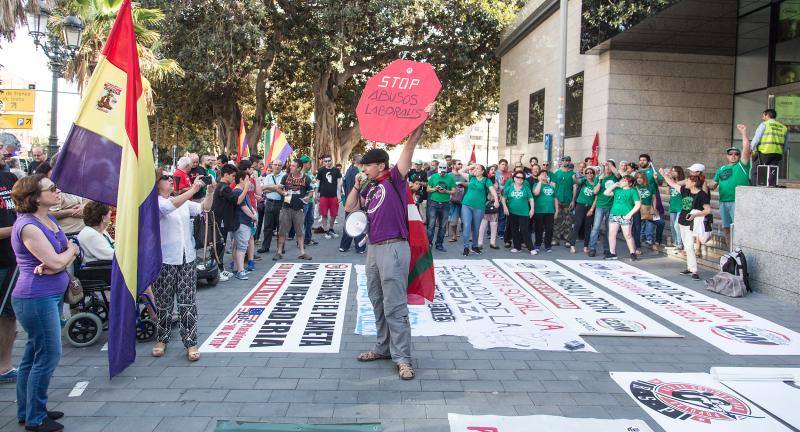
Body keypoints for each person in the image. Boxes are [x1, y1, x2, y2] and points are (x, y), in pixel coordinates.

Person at [344, 103, 432, 381]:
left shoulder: (394, 179)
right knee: (377, 301)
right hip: (373, 248)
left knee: (395, 305)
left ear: (380, 165)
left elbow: (409, 147)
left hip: (394, 247)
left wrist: (423, 118)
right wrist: (357, 185)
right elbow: (349, 208)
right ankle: (383, 347)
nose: (363, 168)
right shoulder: (368, 187)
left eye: (367, 165)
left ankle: (403, 358)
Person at [11, 174, 77, 431]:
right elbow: (59, 260)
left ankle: (28, 410)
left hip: (48, 294)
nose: (57, 191)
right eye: (52, 189)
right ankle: (36, 418)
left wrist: (62, 257)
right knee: (48, 355)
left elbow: (61, 255)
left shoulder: (48, 218)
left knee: (33, 355)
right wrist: (68, 254)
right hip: (35, 297)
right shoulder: (28, 226)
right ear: (35, 197)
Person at [151, 174, 214, 362]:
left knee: (188, 302)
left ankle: (191, 342)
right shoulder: (155, 202)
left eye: (172, 178)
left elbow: (204, 208)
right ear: (156, 183)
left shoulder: (182, 201)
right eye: (166, 177)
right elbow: (168, 207)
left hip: (187, 257)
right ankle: (162, 339)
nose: (171, 180)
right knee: (164, 303)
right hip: (165, 259)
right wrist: (193, 190)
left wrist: (209, 192)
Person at [661, 169, 711, 281]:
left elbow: (708, 210)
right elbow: (672, 184)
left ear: (693, 183)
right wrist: (664, 175)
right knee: (687, 246)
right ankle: (689, 268)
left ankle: (694, 271)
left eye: (687, 181)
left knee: (689, 246)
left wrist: (695, 215)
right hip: (682, 221)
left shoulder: (702, 195)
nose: (685, 182)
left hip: (691, 223)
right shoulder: (685, 191)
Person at [708, 124, 752, 247]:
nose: (733, 155)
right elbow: (712, 185)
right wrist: (699, 182)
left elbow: (746, 149)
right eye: (730, 154)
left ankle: (740, 250)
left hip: (737, 201)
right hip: (723, 202)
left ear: (739, 156)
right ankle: (731, 251)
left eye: (736, 154)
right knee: (726, 228)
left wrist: (743, 133)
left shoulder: (742, 165)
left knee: (738, 228)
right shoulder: (721, 169)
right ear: (727, 156)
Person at [0, 152, 17, 385]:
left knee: (8, 315)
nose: (4, 151)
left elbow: (21, 212)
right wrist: (20, 228)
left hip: (12, 260)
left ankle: (5, 366)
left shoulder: (9, 178)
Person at [457, 163, 498, 256]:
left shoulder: (486, 180)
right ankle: (466, 247)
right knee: (466, 225)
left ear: (482, 171)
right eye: (474, 168)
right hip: (466, 205)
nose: (475, 170)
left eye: (477, 168)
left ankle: (474, 246)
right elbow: (460, 171)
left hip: (479, 207)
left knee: (476, 227)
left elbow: (493, 190)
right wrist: (471, 166)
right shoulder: (471, 177)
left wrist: (496, 200)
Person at [275, 159, 312, 261]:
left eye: (293, 166)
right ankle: (279, 252)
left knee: (300, 231)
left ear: (299, 168)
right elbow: (278, 188)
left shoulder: (306, 178)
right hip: (286, 208)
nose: (290, 167)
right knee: (282, 231)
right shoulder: (286, 177)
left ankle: (302, 253)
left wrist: (307, 197)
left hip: (299, 209)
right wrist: (284, 193)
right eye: (291, 165)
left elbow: (311, 191)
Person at [603, 175, 641, 261]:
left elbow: (638, 204)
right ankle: (612, 253)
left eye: (625, 180)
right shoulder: (617, 190)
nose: (622, 181)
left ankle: (632, 253)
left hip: (625, 215)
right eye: (622, 179)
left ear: (630, 183)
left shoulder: (632, 191)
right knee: (612, 234)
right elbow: (606, 193)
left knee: (628, 235)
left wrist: (630, 214)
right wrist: (614, 185)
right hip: (614, 214)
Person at [211, 164, 239, 281]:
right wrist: (246, 188)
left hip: (220, 220)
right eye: (233, 176)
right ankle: (217, 271)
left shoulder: (221, 186)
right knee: (219, 245)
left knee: (220, 245)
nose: (234, 178)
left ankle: (220, 269)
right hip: (220, 221)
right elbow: (236, 200)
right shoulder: (224, 187)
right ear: (226, 175)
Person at [588, 160, 620, 257]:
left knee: (609, 229)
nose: (607, 168)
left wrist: (610, 164)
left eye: (609, 166)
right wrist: (600, 181)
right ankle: (592, 248)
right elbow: (595, 192)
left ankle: (607, 248)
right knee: (596, 228)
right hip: (600, 206)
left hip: (611, 206)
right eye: (606, 166)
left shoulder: (615, 177)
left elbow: (618, 174)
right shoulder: (599, 177)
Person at [231, 171, 259, 279]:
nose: (249, 182)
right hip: (241, 222)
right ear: (241, 180)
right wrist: (253, 216)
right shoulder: (238, 191)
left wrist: (253, 214)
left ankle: (238, 268)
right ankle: (240, 270)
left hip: (243, 222)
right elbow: (244, 207)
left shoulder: (242, 191)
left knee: (239, 245)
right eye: (247, 180)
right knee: (242, 246)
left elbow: (248, 205)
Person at [749, 108, 788, 185]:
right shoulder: (783, 127)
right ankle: (771, 187)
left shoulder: (764, 124)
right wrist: (782, 152)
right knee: (772, 172)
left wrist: (751, 148)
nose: (762, 117)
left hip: (765, 152)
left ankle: (754, 188)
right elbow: (786, 144)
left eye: (763, 115)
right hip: (777, 154)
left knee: (756, 171)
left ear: (767, 115)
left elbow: (757, 138)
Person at [502, 172, 535, 254]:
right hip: (512, 212)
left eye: (522, 178)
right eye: (518, 177)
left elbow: (531, 199)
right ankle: (517, 247)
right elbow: (503, 198)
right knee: (514, 230)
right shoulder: (509, 188)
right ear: (514, 178)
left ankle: (531, 248)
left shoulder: (526, 188)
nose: (520, 179)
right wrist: (505, 207)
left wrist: (532, 209)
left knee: (525, 230)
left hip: (524, 213)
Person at [257, 161, 286, 254]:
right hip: (269, 202)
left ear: (282, 166)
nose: (277, 166)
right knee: (267, 227)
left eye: (279, 165)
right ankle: (265, 247)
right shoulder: (268, 176)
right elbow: (263, 189)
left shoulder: (285, 176)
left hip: (281, 203)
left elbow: (284, 189)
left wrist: (269, 187)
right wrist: (277, 188)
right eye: (275, 165)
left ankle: (280, 248)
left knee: (280, 227)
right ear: (272, 166)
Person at [339, 155, 366, 253]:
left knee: (348, 223)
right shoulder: (360, 172)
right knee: (360, 223)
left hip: (349, 199)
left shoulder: (348, 170)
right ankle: (360, 247)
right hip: (357, 199)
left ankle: (344, 246)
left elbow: (343, 184)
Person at [426, 164, 455, 252]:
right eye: (441, 172)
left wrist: (446, 191)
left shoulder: (450, 178)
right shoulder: (434, 177)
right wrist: (435, 189)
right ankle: (428, 244)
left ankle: (439, 244)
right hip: (434, 203)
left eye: (443, 172)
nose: (442, 174)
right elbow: (428, 189)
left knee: (442, 226)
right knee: (431, 225)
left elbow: (453, 191)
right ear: (438, 170)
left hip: (445, 204)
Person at [569, 166, 598, 254]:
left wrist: (592, 209)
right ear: (585, 174)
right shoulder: (584, 181)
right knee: (577, 224)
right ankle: (572, 245)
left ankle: (586, 246)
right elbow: (577, 182)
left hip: (590, 206)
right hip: (580, 205)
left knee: (588, 227)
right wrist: (574, 177)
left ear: (593, 174)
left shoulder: (596, 183)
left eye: (591, 173)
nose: (589, 174)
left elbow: (596, 197)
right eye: (587, 173)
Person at [550, 156, 575, 246]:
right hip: (558, 200)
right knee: (557, 220)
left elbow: (575, 187)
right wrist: (553, 199)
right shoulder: (557, 173)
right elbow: (552, 186)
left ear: (569, 162)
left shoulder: (573, 174)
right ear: (561, 162)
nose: (565, 162)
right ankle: (555, 239)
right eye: (564, 160)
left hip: (568, 200)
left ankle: (568, 240)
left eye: (567, 160)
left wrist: (573, 200)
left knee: (568, 221)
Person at [316, 155, 342, 238]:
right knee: (324, 214)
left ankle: (331, 229)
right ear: (324, 162)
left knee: (334, 214)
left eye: (329, 160)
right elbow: (317, 183)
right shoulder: (321, 170)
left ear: (332, 160)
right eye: (326, 161)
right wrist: (316, 194)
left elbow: (339, 184)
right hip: (323, 195)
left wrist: (339, 195)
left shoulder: (336, 170)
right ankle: (325, 230)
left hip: (334, 196)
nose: (328, 162)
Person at [532, 171, 557, 253]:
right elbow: (536, 193)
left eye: (545, 175)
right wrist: (540, 181)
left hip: (550, 211)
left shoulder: (551, 186)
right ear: (538, 176)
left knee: (549, 229)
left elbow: (555, 198)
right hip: (539, 210)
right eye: (542, 174)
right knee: (539, 228)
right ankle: (537, 244)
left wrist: (557, 210)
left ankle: (548, 245)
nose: (544, 176)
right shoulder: (536, 184)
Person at [478, 165, 500, 250]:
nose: (493, 171)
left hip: (494, 203)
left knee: (494, 223)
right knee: (483, 223)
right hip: (485, 203)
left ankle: (493, 243)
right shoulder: (485, 180)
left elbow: (499, 191)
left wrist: (499, 197)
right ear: (487, 172)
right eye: (491, 169)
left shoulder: (497, 180)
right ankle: (479, 243)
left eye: (495, 170)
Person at [666, 166, 685, 254]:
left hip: (680, 206)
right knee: (672, 225)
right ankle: (676, 242)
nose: (672, 173)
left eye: (674, 171)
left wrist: (670, 180)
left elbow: (677, 185)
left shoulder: (683, 182)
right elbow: (667, 192)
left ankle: (680, 244)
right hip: (673, 205)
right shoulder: (671, 182)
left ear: (679, 173)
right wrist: (668, 181)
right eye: (672, 171)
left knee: (677, 225)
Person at [634, 172, 654, 250]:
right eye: (637, 178)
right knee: (640, 223)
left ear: (644, 179)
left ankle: (649, 239)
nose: (639, 179)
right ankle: (641, 237)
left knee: (649, 222)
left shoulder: (650, 186)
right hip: (638, 207)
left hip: (648, 206)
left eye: (641, 178)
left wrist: (654, 207)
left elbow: (654, 198)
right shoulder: (635, 187)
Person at [447, 159, 465, 242]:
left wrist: (462, 183)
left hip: (464, 200)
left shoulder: (464, 175)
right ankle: (454, 235)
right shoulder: (448, 175)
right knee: (453, 220)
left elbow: (469, 184)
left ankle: (470, 236)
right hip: (453, 200)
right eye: (459, 164)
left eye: (461, 164)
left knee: (466, 219)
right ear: (453, 165)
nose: (461, 165)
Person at [407, 161, 428, 225]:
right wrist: (411, 184)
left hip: (419, 192)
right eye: (416, 164)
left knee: (417, 206)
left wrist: (418, 183)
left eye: (418, 164)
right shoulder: (411, 171)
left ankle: (419, 221)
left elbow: (426, 184)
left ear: (421, 165)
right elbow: (405, 178)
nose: (417, 165)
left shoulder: (423, 173)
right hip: (410, 191)